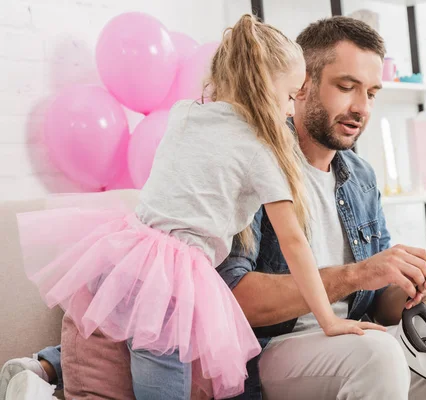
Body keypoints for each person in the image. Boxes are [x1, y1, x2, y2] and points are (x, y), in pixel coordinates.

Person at [3, 15, 426, 400]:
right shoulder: (252, 159)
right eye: (345, 86)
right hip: (276, 350)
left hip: (355, 342)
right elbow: (231, 298)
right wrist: (357, 274)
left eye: (372, 93)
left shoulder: (356, 173)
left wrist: (407, 285)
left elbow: (375, 308)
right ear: (301, 85)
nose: (361, 107)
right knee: (380, 354)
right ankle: (48, 366)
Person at [12, 14, 392, 400]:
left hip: (127, 251)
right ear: (266, 90)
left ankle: (45, 374)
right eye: (289, 97)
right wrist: (328, 320)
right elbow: (294, 243)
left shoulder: (184, 113)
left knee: (117, 334)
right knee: (165, 382)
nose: (291, 111)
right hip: (175, 275)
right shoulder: (262, 151)